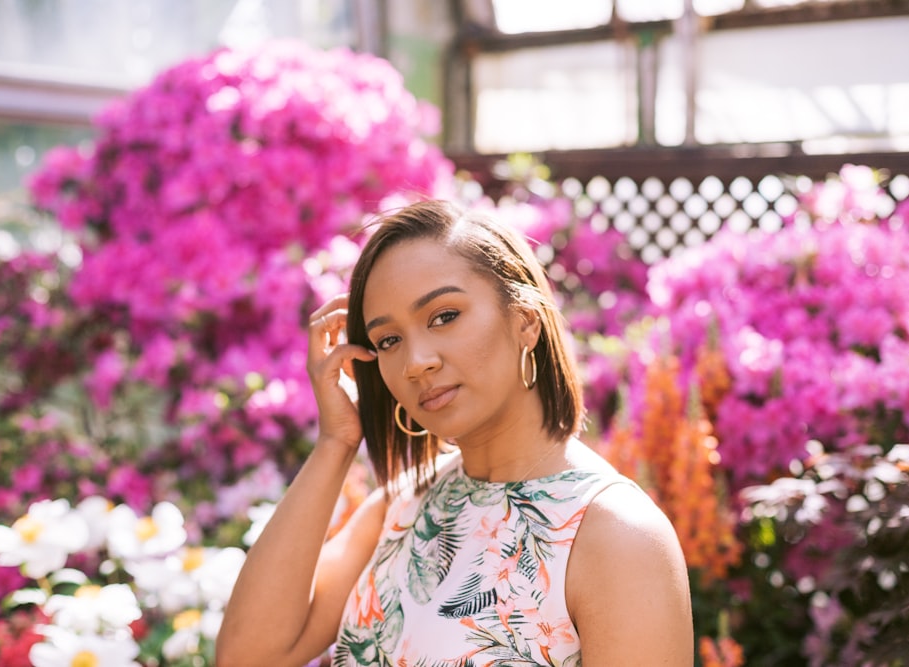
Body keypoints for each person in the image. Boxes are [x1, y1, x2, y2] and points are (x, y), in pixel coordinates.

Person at [216, 200, 693, 667]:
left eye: (444, 316)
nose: (417, 361)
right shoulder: (401, 510)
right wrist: (335, 443)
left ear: (525, 322)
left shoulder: (617, 536)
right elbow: (247, 656)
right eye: (389, 340)